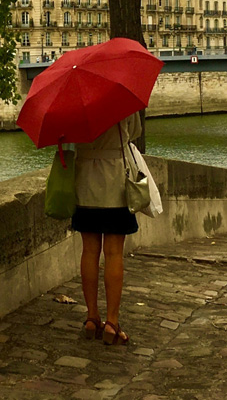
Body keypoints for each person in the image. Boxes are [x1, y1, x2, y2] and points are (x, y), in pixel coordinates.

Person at [72, 111, 142, 345]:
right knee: (113, 253)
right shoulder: (121, 102)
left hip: (85, 181)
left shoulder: (74, 105)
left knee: (89, 251)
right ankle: (112, 322)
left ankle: (92, 317)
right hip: (115, 180)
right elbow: (135, 132)